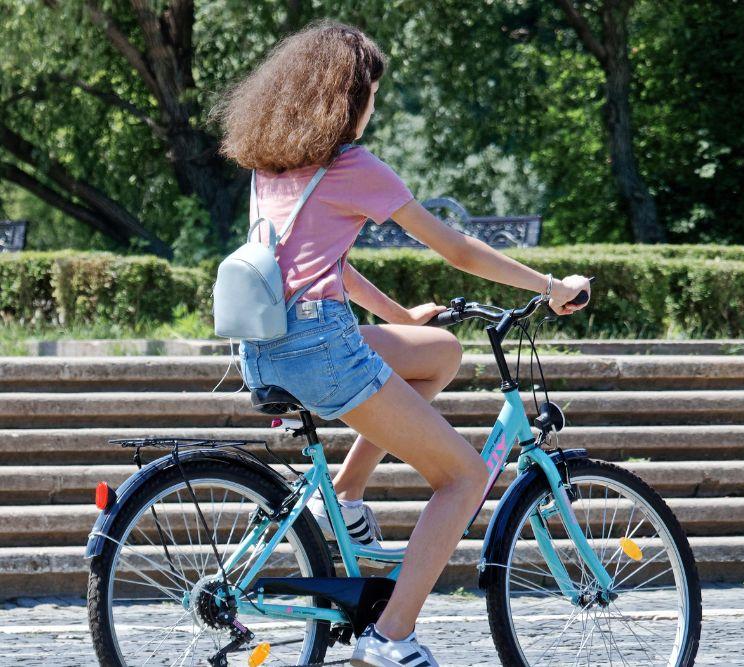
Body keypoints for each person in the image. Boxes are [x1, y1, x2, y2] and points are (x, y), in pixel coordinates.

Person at [214, 20, 591, 667]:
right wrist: (552, 285)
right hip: (322, 347)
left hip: (265, 341)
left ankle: (352, 493)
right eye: (370, 96)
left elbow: (317, 264)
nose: (372, 109)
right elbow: (454, 245)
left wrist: (397, 314)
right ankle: (390, 635)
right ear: (344, 97)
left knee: (440, 351)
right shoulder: (353, 167)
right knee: (465, 476)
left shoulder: (271, 165)